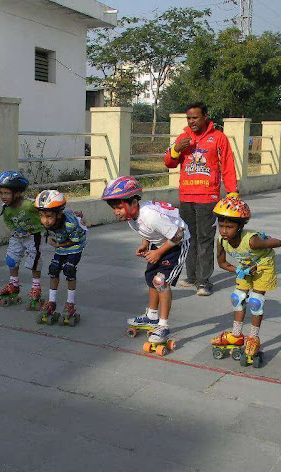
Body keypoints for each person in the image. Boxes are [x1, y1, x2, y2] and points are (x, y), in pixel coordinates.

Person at [102, 176, 190, 350]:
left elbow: (177, 235)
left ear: (134, 202)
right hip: (161, 242)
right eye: (114, 208)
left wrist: (158, 252)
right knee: (150, 277)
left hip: (177, 242)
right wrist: (145, 244)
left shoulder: (150, 216)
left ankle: (163, 325)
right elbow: (144, 230)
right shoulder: (131, 217)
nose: (116, 211)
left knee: (160, 282)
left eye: (119, 206)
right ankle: (152, 315)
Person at [164, 102, 238, 296]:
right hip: (186, 197)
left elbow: (228, 165)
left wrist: (232, 192)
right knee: (189, 238)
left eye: (195, 117)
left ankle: (204, 281)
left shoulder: (218, 138)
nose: (192, 121)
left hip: (208, 197)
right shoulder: (183, 138)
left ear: (205, 116)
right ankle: (191, 276)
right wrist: (176, 149)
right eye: (189, 118)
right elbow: (169, 163)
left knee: (205, 239)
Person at [211, 195, 281, 364]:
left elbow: (278, 242)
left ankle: (253, 337)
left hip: (263, 264)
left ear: (240, 226)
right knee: (238, 298)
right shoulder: (221, 240)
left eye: (229, 227)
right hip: (245, 267)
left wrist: (265, 240)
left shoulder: (252, 241)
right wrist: (239, 270)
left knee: (255, 301)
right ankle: (236, 334)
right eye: (221, 226)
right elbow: (222, 263)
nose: (224, 231)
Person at [35, 190, 87, 324]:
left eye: (48, 216)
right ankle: (51, 301)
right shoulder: (49, 222)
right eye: (41, 215)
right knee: (54, 269)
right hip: (61, 246)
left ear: (58, 214)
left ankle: (70, 303)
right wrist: (56, 243)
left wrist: (58, 244)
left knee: (69, 270)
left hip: (75, 247)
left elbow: (74, 241)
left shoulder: (70, 224)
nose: (45, 221)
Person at [0, 171, 44, 309]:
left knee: (34, 262)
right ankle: (14, 285)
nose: (3, 197)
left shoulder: (30, 205)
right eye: (1, 193)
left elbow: (47, 210)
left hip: (33, 236)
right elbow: (9, 222)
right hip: (17, 235)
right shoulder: (6, 209)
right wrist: (16, 230)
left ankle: (36, 287)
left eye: (6, 193)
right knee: (11, 260)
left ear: (17, 193)